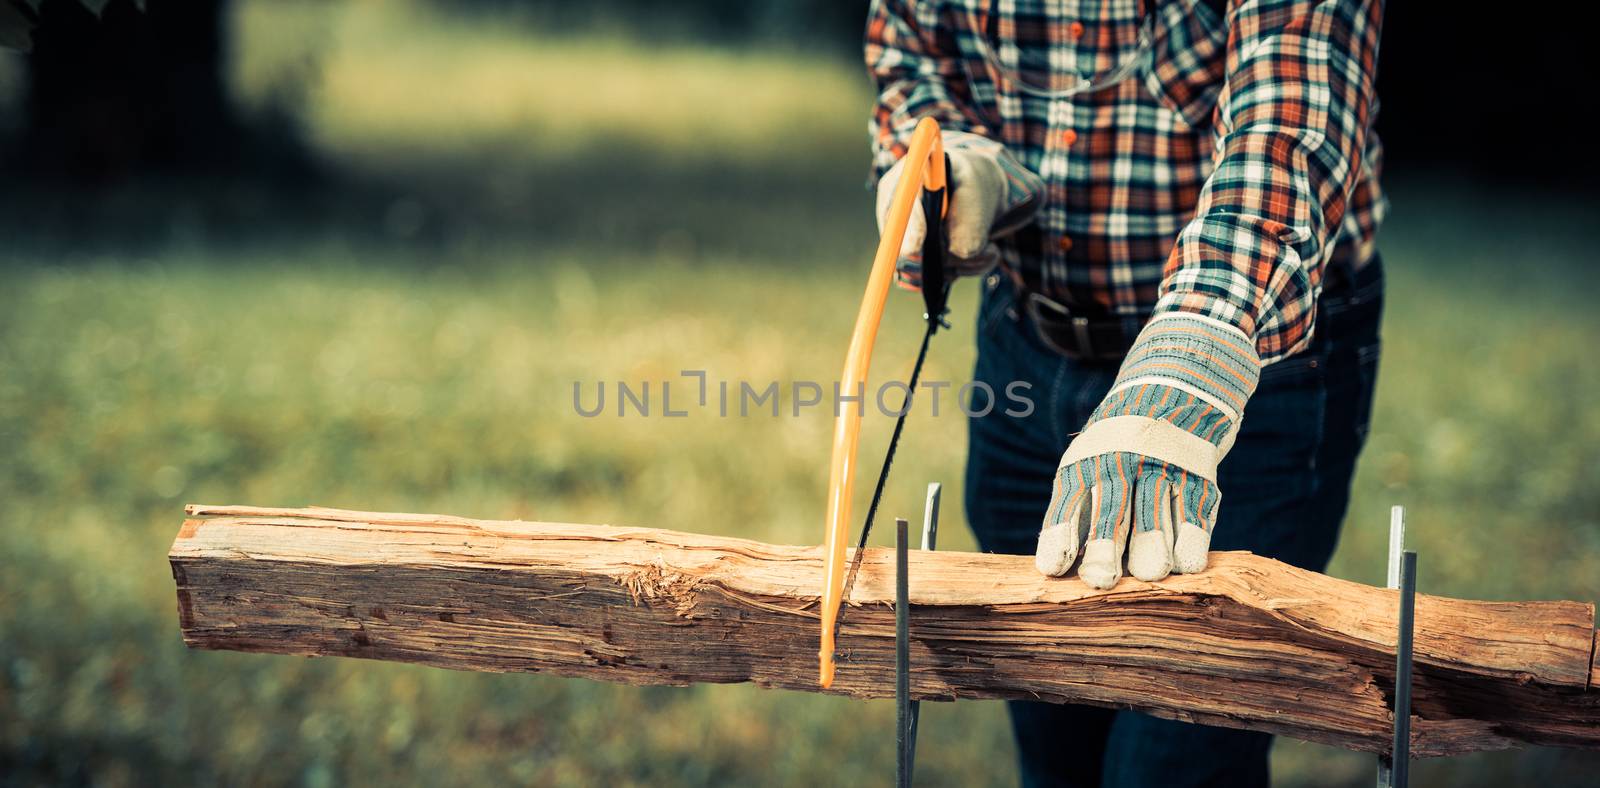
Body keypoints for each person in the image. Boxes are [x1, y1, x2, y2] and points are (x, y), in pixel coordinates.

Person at [866, 0, 1386, 785]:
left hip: (1253, 360)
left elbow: (1291, 117)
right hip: (1030, 343)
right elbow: (912, 50)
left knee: (1177, 765)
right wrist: (950, 159)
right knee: (1055, 741)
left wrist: (1187, 362)